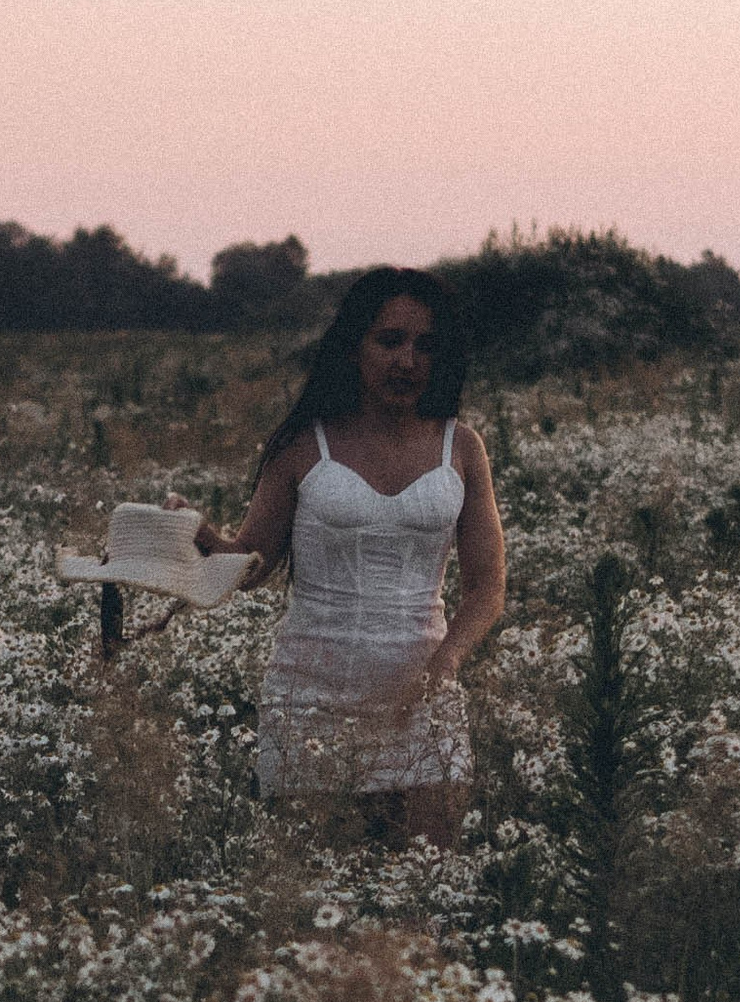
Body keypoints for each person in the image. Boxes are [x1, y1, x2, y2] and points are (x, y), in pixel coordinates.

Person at [189, 269, 507, 844]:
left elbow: (487, 586)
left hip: (421, 701)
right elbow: (252, 566)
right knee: (316, 902)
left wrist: (447, 662)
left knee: (423, 897)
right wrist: (198, 534)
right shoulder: (303, 444)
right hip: (311, 700)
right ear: (354, 346)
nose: (407, 360)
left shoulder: (462, 447)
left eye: (426, 345)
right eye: (389, 341)